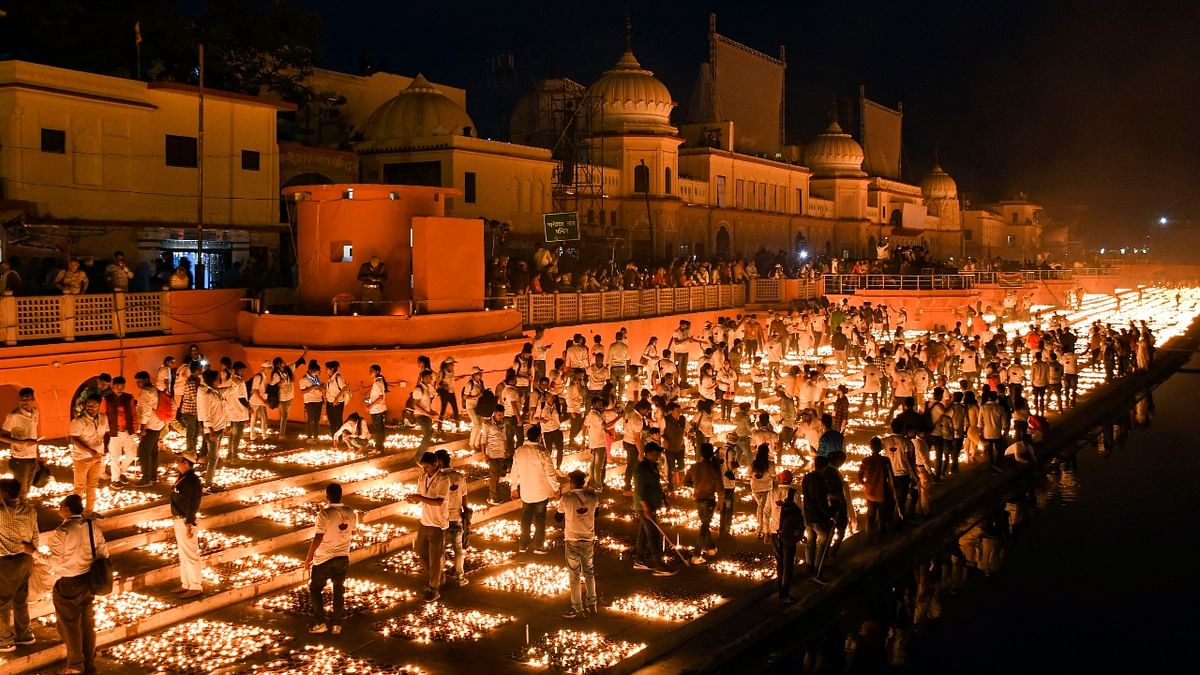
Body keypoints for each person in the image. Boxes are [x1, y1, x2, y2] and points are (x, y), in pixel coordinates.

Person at [48, 493, 107, 674]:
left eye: (60, 507)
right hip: (88, 581)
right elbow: (104, 552)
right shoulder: (91, 526)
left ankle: (75, 666)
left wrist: (34, 553)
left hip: (69, 583)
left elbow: (55, 562)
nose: (58, 510)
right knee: (87, 625)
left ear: (67, 509)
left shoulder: (62, 532)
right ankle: (88, 663)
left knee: (70, 626)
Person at [304, 483, 357, 635]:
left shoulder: (324, 514)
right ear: (341, 495)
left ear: (327, 496)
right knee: (338, 590)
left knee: (315, 589)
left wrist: (308, 558)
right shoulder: (350, 511)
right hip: (343, 557)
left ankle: (320, 622)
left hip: (324, 559)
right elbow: (352, 532)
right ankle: (337, 625)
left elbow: (318, 536)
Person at [508, 426, 559, 554]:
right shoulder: (542, 452)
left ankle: (523, 545)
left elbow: (514, 471)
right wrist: (555, 488)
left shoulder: (519, 451)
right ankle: (538, 546)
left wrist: (514, 488)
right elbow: (550, 473)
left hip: (526, 492)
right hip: (541, 492)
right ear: (539, 437)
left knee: (525, 519)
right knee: (540, 520)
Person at [406, 452, 449, 601]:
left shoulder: (444, 479)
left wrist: (420, 498)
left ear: (435, 464)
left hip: (437, 523)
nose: (424, 470)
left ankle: (434, 588)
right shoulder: (423, 478)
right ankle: (437, 576)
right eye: (423, 467)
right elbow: (420, 496)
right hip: (424, 521)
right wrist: (414, 499)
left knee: (435, 557)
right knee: (419, 549)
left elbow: (439, 501)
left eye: (426, 467)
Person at [0, 478, 37, 652]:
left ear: (5, 494)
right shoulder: (29, 510)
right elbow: (35, 536)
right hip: (26, 559)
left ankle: (4, 639)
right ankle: (25, 635)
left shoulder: (1, 513)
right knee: (20, 599)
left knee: (2, 602)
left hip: (7, 562)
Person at [556, 470, 598, 618]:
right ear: (584, 482)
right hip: (588, 538)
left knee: (574, 575)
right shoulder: (593, 497)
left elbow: (557, 517)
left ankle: (577, 608)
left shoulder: (567, 498)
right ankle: (592, 604)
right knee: (589, 571)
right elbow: (596, 513)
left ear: (572, 483)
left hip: (572, 539)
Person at [633, 443, 677, 576]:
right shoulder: (641, 469)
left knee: (643, 533)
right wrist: (646, 508)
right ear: (649, 453)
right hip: (645, 506)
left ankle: (639, 560)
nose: (658, 455)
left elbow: (656, 485)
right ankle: (659, 566)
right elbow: (640, 491)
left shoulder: (653, 466)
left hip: (652, 504)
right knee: (653, 535)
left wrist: (664, 500)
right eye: (656, 453)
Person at [171, 452, 204, 599]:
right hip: (179, 519)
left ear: (186, 463)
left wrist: (189, 523)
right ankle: (186, 583)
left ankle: (196, 585)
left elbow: (193, 503)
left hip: (186, 520)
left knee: (190, 553)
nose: (177, 463)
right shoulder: (184, 478)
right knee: (183, 555)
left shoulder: (192, 481)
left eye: (179, 461)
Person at [68, 394, 107, 516]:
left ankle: (89, 511)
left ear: (99, 406)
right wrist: (90, 451)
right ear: (85, 405)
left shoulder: (103, 418)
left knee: (93, 485)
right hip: (82, 458)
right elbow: (74, 439)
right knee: (79, 487)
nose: (91, 407)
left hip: (97, 457)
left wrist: (103, 449)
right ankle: (74, 513)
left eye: (95, 405)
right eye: (89, 404)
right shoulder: (78, 421)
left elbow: (104, 434)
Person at [683, 443, 722, 564]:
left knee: (705, 524)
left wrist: (695, 485)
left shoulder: (694, 467)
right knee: (704, 527)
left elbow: (685, 482)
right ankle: (696, 555)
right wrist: (720, 502)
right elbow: (720, 489)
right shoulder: (713, 469)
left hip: (698, 500)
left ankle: (710, 548)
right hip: (709, 500)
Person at [770, 470, 805, 603]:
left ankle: (780, 587)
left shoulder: (772, 493)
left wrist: (765, 530)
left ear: (779, 479)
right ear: (791, 480)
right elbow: (801, 514)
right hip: (789, 533)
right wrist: (802, 531)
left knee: (779, 562)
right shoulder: (795, 494)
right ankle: (784, 592)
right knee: (788, 563)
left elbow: (766, 511)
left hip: (775, 531)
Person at [437, 449, 469, 586]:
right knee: (458, 548)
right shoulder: (459, 477)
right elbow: (464, 498)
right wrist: (466, 512)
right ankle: (460, 576)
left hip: (441, 519)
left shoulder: (438, 478)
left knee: (440, 550)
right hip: (456, 517)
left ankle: (439, 577)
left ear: (439, 462)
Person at [0, 388, 40, 498]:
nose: (25, 402)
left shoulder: (35, 412)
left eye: (28, 399)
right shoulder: (14, 416)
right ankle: (18, 512)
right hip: (20, 458)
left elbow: (33, 433)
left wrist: (38, 455)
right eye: (22, 399)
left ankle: (24, 511)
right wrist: (22, 443)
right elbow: (2, 436)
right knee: (20, 491)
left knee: (27, 489)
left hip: (32, 457)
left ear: (33, 399)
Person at [801, 455, 834, 580]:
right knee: (822, 542)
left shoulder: (807, 477)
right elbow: (821, 501)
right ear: (824, 467)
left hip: (808, 515)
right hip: (818, 517)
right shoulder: (819, 481)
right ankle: (817, 568)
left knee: (810, 542)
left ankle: (808, 567)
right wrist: (830, 514)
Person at [102, 376, 138, 489]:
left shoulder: (129, 397)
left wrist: (135, 429)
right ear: (112, 387)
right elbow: (102, 414)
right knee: (115, 457)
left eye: (121, 386)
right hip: (114, 432)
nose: (119, 389)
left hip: (128, 431)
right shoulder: (107, 399)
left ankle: (122, 472)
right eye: (117, 386)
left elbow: (133, 413)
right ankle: (115, 480)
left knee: (132, 454)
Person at [133, 373, 165, 487]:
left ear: (146, 379)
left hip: (150, 425)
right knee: (153, 451)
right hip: (158, 423)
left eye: (140, 381)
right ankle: (153, 476)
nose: (138, 384)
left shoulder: (146, 392)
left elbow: (145, 411)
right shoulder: (154, 389)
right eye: (137, 381)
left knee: (144, 450)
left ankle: (146, 478)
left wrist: (142, 427)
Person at [859, 436, 893, 542]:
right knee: (882, 517)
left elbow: (859, 476)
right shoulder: (885, 460)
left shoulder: (866, 461)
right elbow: (891, 476)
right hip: (883, 492)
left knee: (870, 516)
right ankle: (881, 539)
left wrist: (864, 484)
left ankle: (868, 538)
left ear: (870, 447)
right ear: (881, 448)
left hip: (870, 492)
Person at [583, 397, 611, 491]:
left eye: (601, 404)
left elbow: (586, 425)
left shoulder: (591, 414)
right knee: (598, 466)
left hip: (593, 442)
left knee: (593, 464)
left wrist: (606, 431)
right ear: (594, 405)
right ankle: (598, 485)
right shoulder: (596, 415)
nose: (601, 405)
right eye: (599, 404)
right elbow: (605, 425)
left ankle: (592, 482)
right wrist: (619, 417)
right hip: (599, 443)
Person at [298, 360, 324, 443]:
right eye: (316, 372)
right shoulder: (304, 379)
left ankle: (316, 436)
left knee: (317, 420)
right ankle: (309, 437)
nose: (317, 374)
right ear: (310, 370)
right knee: (310, 420)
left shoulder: (316, 378)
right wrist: (313, 388)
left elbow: (319, 387)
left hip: (318, 400)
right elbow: (302, 392)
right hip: (310, 401)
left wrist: (321, 388)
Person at [366, 364, 389, 453]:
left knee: (378, 430)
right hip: (377, 409)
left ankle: (379, 448)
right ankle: (379, 447)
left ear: (377, 372)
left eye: (372, 371)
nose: (370, 373)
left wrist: (370, 406)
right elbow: (375, 397)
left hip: (377, 410)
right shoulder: (378, 381)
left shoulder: (377, 382)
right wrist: (368, 402)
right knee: (380, 430)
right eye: (369, 371)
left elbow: (380, 397)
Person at [323, 361, 349, 438]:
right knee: (331, 421)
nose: (326, 371)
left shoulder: (338, 377)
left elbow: (345, 388)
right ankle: (334, 438)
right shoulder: (330, 378)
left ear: (332, 369)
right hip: (330, 402)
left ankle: (340, 438)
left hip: (337, 403)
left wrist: (337, 398)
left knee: (338, 421)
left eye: (327, 369)